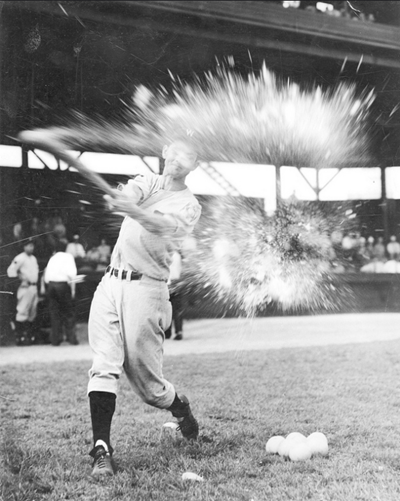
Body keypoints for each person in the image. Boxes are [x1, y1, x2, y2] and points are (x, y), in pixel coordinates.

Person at [19, 131, 203, 480]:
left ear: (195, 165)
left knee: (149, 388)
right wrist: (125, 198)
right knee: (104, 365)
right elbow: (132, 192)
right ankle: (101, 449)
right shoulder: (147, 180)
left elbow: (161, 226)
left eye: (188, 156)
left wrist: (134, 209)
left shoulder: (190, 205)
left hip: (147, 291)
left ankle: (180, 408)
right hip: (111, 283)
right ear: (165, 151)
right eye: (175, 151)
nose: (179, 159)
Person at [43, 240, 78, 346]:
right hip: (62, 285)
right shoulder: (68, 257)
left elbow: (46, 277)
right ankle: (71, 338)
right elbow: (72, 274)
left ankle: (55, 339)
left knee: (54, 312)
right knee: (68, 312)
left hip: (51, 285)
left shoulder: (52, 258)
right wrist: (73, 290)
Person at [7, 240, 39, 345]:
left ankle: (29, 337)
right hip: (25, 287)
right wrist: (19, 279)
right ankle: (20, 338)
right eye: (29, 246)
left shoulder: (33, 258)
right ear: (24, 247)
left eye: (32, 246)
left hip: (34, 287)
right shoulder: (20, 257)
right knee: (22, 311)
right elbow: (10, 271)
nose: (31, 248)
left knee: (32, 312)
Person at [165, 250, 184, 340]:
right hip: (177, 282)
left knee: (166, 309)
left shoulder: (165, 253)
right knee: (177, 310)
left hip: (167, 283)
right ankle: (178, 331)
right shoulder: (178, 254)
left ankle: (167, 332)